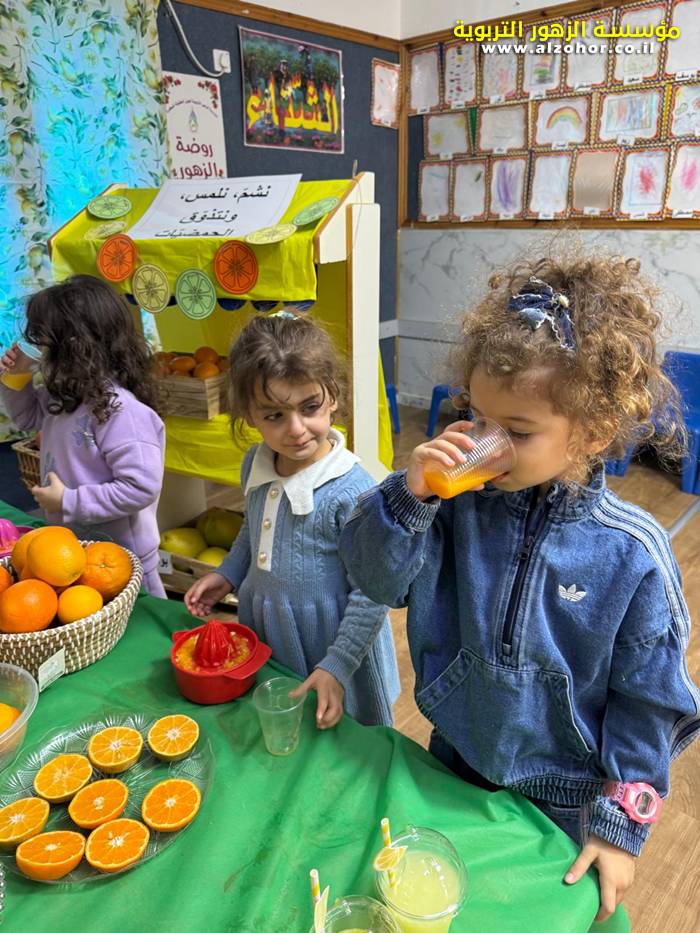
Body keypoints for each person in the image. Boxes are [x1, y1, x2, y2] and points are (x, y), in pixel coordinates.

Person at [339, 253, 700, 922]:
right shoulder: (454, 507)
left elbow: (648, 704)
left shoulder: (632, 556)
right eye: (478, 417)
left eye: (518, 431)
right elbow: (374, 578)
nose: (488, 443)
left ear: (592, 431)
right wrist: (409, 497)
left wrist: (619, 826)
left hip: (566, 795)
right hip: (455, 756)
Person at [185, 313, 399, 728]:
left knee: (350, 740)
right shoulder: (255, 462)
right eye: (274, 416)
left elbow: (373, 594)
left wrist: (338, 664)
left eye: (310, 407)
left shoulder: (355, 491)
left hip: (338, 647)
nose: (297, 429)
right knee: (289, 728)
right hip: (271, 631)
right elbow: (255, 526)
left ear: (333, 395)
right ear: (249, 414)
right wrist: (228, 573)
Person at [0, 275, 166, 597]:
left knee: (139, 620)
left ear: (75, 347)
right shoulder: (67, 395)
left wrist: (67, 501)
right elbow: (26, 417)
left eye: (44, 344)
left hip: (123, 562)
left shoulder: (122, 413)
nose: (38, 352)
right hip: (72, 552)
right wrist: (17, 377)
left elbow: (140, 487)